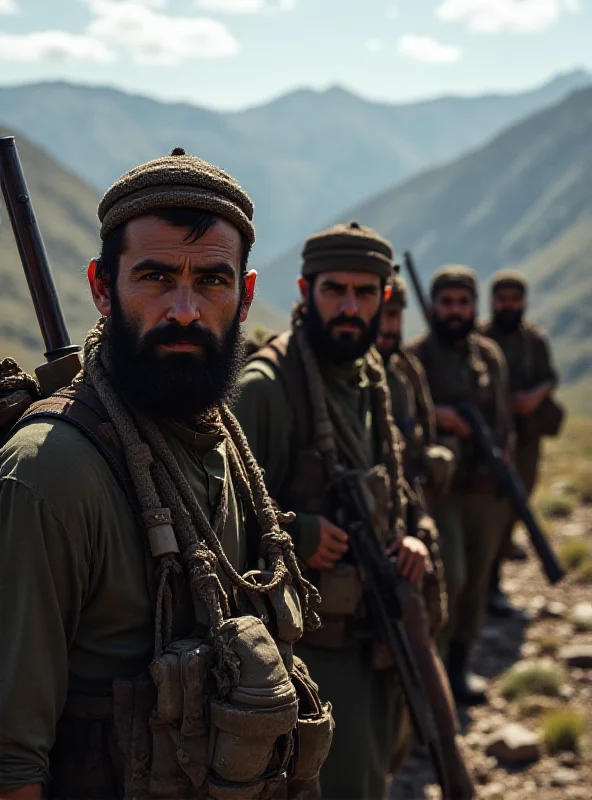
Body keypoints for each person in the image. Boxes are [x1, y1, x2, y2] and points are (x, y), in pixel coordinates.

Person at [0, 148, 332, 800]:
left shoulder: (217, 439)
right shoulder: (51, 473)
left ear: (246, 295)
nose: (184, 309)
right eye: (155, 277)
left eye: (212, 280)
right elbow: (11, 763)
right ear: (101, 287)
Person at [234, 222, 467, 799]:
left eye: (365, 293)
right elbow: (219, 525)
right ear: (304, 290)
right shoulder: (268, 388)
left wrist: (411, 535)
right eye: (334, 289)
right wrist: (299, 533)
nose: (349, 306)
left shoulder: (371, 379)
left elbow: (398, 486)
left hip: (380, 636)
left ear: (384, 298)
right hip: (310, 658)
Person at [377, 272, 474, 797]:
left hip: (416, 519)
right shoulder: (359, 378)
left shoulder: (405, 370)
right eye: (383, 313)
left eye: (396, 314)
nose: (388, 325)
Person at [409, 265, 513, 706]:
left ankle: (458, 667)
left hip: (485, 488)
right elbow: (408, 419)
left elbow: (505, 419)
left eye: (463, 302)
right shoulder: (416, 359)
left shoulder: (489, 356)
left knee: (477, 579)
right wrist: (440, 417)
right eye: (447, 303)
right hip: (442, 491)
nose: (455, 311)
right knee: (451, 574)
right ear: (434, 307)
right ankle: (429, 676)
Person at [480, 270, 563, 616]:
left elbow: (550, 378)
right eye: (503, 299)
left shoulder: (533, 341)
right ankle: (485, 583)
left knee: (518, 504)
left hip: (526, 440)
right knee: (489, 511)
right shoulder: (480, 339)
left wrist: (531, 398)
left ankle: (493, 581)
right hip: (489, 439)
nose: (509, 306)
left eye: (515, 299)